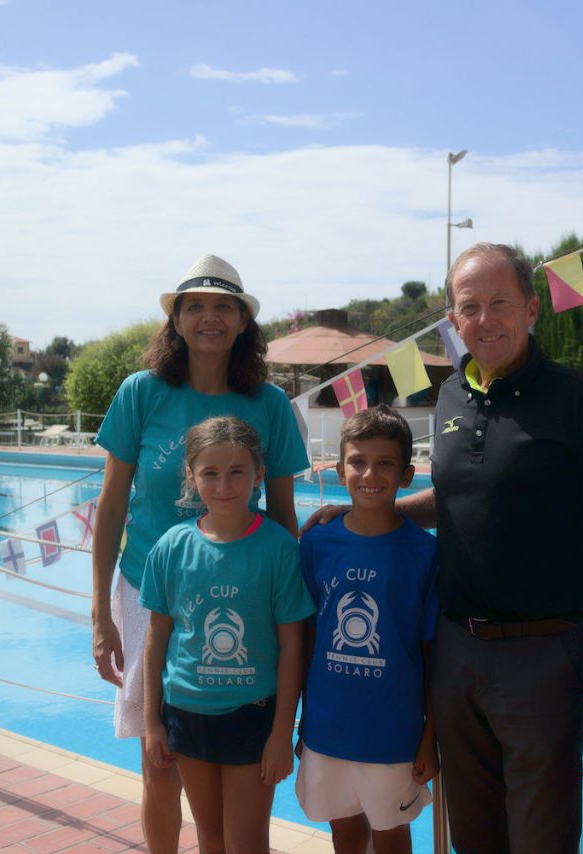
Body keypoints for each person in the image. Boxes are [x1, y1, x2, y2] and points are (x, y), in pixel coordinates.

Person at [306, 243, 583, 852]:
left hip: (542, 649)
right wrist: (374, 509)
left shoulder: (574, 397)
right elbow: (452, 500)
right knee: (472, 830)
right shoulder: (451, 396)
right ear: (453, 321)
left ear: (532, 308)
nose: (484, 319)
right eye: (469, 307)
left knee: (541, 831)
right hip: (455, 649)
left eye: (499, 302)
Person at [91, 253, 310, 852]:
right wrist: (100, 613)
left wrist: (295, 617)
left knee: (240, 746)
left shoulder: (268, 404)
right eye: (195, 306)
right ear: (177, 321)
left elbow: (285, 517)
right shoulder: (142, 394)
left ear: (243, 322)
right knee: (158, 760)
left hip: (245, 592)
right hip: (147, 595)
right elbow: (110, 509)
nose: (208, 317)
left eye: (223, 306)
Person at [139, 416, 315, 853]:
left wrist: (281, 732)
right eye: (210, 473)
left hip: (251, 715)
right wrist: (150, 722)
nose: (224, 485)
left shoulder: (277, 548)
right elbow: (157, 636)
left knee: (247, 844)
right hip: (186, 711)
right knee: (210, 839)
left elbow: (293, 643)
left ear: (259, 475)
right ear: (191, 476)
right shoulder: (172, 547)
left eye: (237, 472)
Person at [295, 404, 440, 854]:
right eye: (358, 462)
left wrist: (429, 737)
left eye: (385, 463)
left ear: (407, 474)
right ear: (340, 470)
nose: (369, 473)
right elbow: (304, 640)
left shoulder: (424, 553)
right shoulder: (318, 543)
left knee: (392, 835)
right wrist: (302, 725)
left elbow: (434, 654)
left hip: (394, 732)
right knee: (344, 831)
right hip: (327, 728)